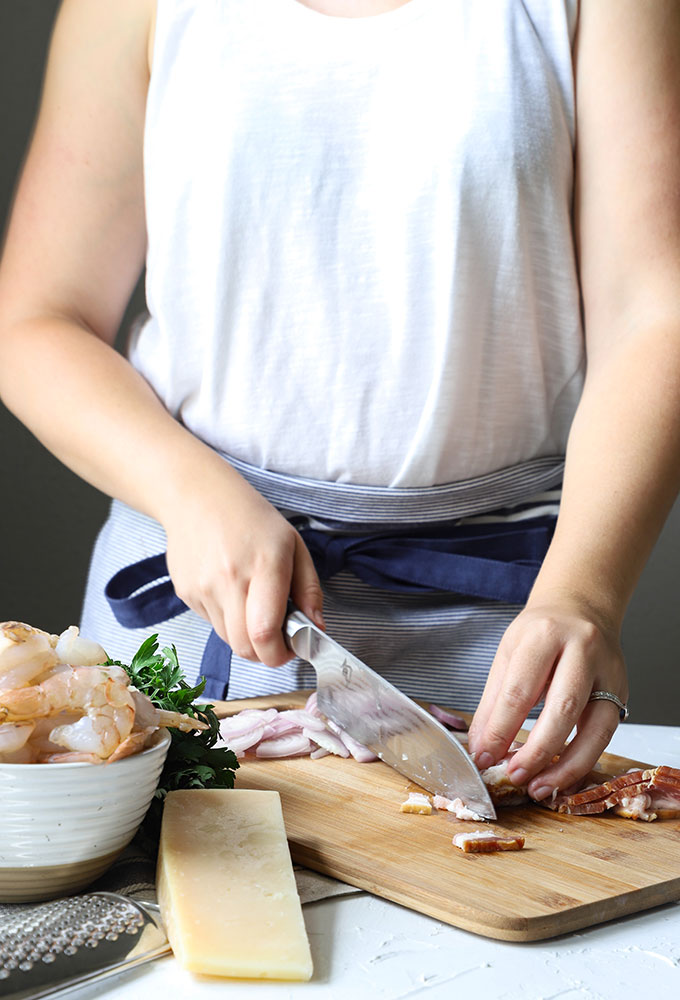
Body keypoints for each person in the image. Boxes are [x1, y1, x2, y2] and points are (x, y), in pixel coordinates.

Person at [0, 0, 679, 807]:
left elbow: (653, 312)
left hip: (500, 638)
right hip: (197, 590)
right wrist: (192, 493)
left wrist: (585, 592)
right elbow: (35, 318)